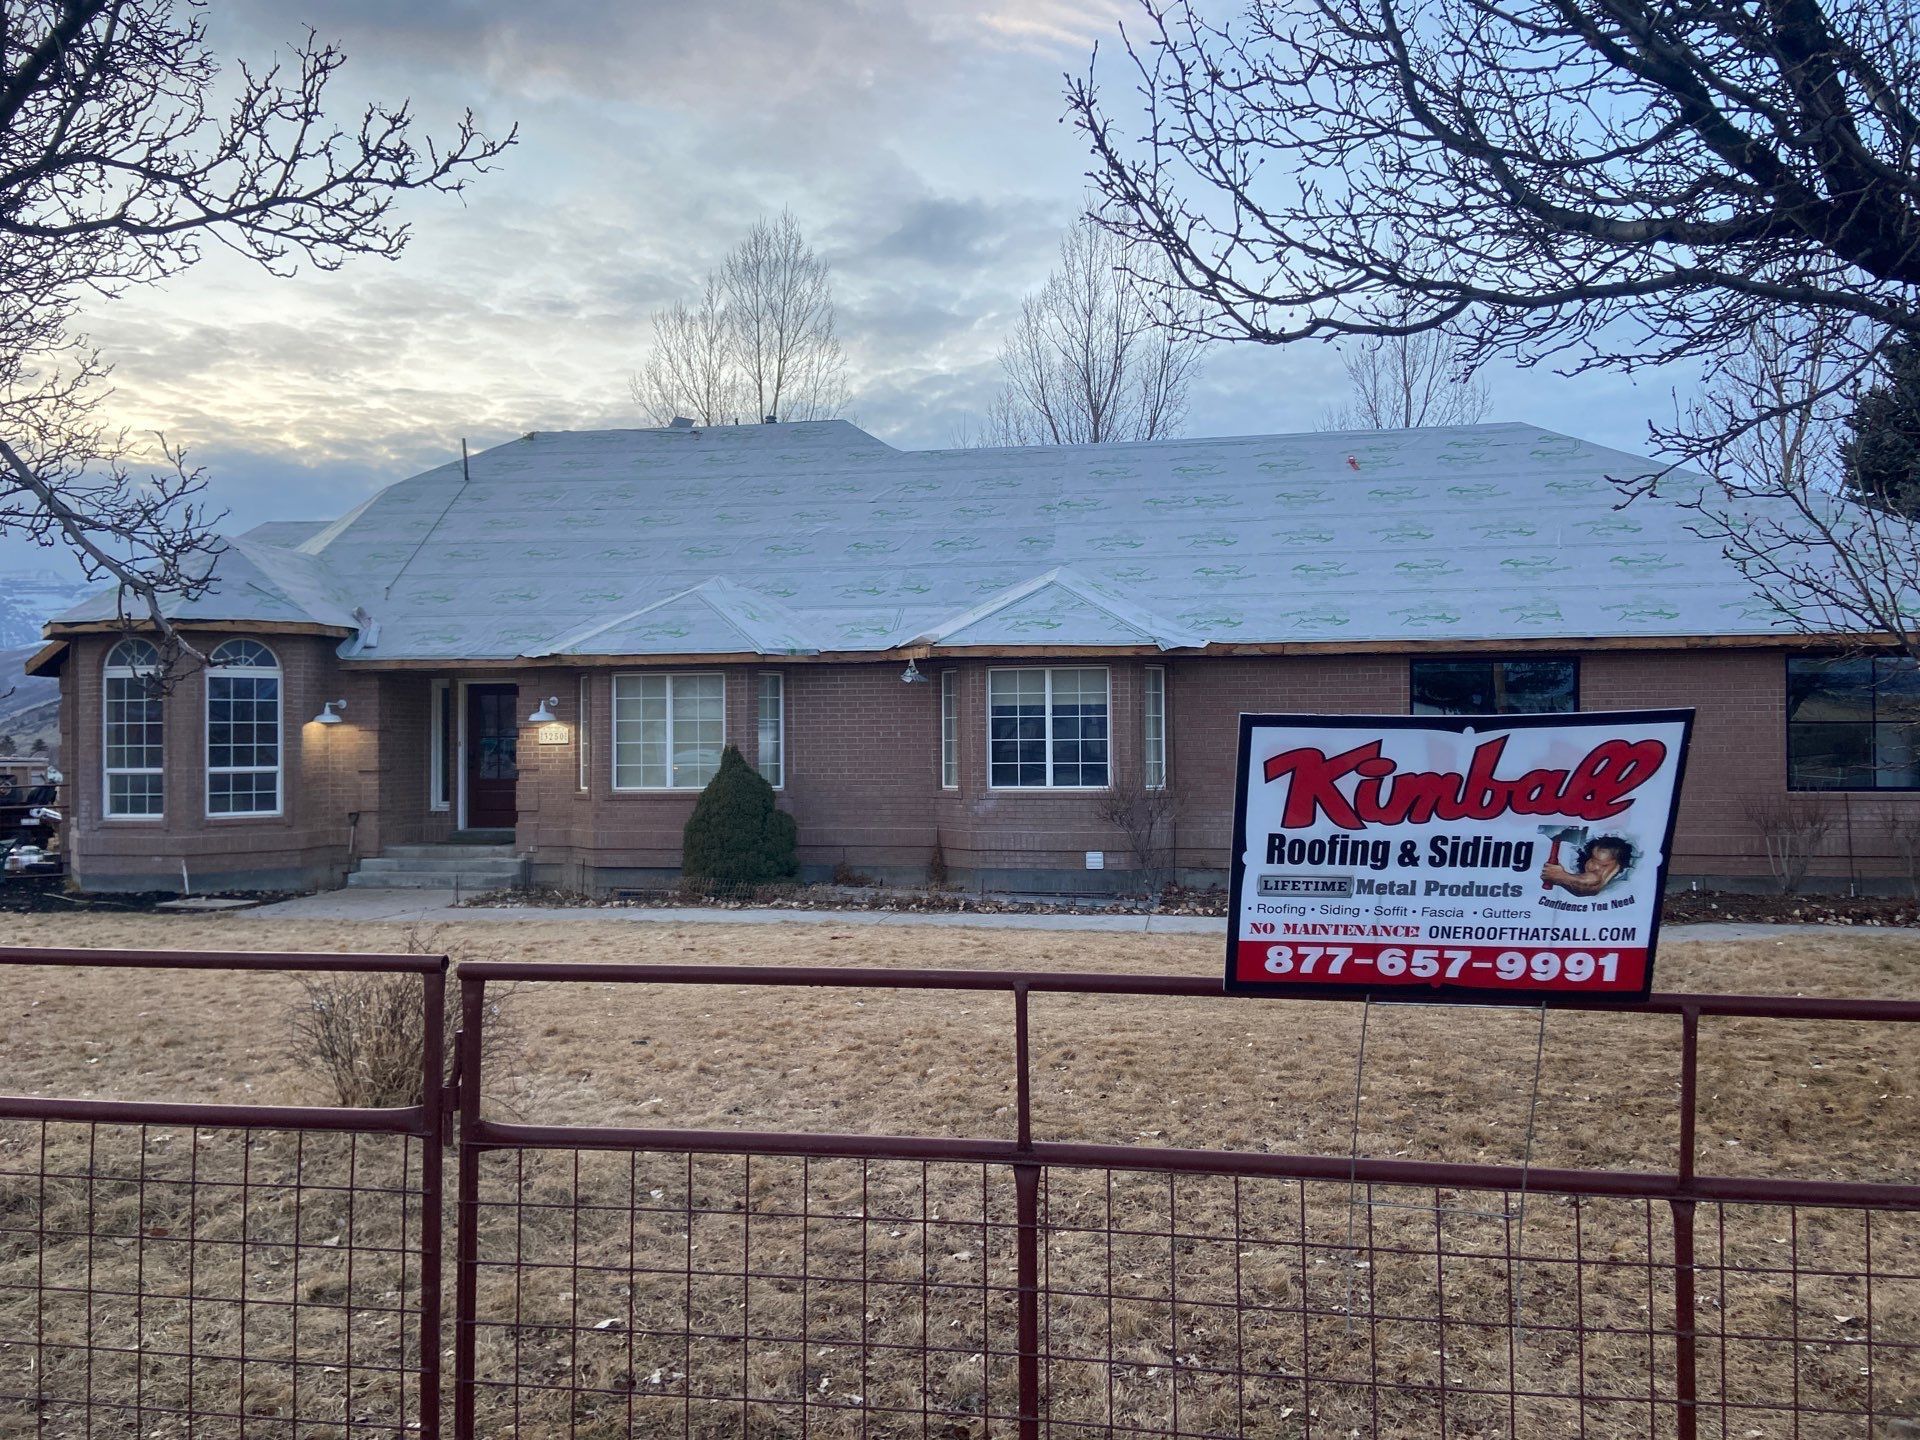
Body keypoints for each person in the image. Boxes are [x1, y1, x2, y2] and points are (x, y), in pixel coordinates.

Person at [1541, 835, 1634, 897]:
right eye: (1593, 860)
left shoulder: (1624, 883)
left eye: (1604, 865)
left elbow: (1590, 884)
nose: (1594, 867)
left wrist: (1560, 876)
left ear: (1618, 867)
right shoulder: (1576, 861)